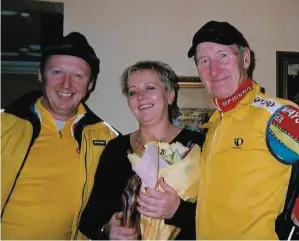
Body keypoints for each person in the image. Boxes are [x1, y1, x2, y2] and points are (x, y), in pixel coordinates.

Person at [187, 20, 299, 240]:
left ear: (245, 59)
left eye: (222, 55)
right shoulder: (213, 125)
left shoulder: (275, 114)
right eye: (204, 60)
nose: (214, 69)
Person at [1, 32, 119, 240]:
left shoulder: (107, 138)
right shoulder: (4, 125)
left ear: (90, 84)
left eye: (78, 76)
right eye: (57, 72)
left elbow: (110, 204)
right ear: (40, 74)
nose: (66, 84)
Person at [79, 60, 206, 240]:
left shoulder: (199, 144)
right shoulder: (116, 149)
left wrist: (179, 211)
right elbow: (89, 219)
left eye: (150, 88)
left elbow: (221, 213)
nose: (141, 96)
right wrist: (107, 229)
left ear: (170, 95)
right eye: (133, 92)